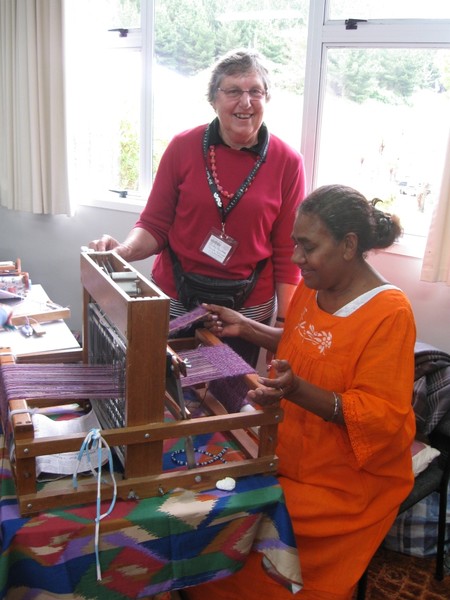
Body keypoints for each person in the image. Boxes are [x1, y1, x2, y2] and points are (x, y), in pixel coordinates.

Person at [185, 184, 417, 600]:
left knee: (236, 516)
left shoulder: (390, 314)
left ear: (348, 245)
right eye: (294, 244)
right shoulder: (316, 283)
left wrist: (296, 389)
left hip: (345, 482)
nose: (295, 258)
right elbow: (303, 343)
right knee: (205, 486)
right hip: (290, 448)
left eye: (307, 247)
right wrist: (248, 326)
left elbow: (380, 416)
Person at [89, 48, 306, 367]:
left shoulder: (288, 162)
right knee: (164, 391)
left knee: (226, 402)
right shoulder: (183, 147)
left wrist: (284, 326)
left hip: (246, 311)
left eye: (255, 91)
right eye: (233, 90)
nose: (245, 102)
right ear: (213, 99)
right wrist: (123, 251)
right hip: (176, 298)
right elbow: (155, 224)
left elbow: (288, 252)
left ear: (266, 98)